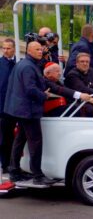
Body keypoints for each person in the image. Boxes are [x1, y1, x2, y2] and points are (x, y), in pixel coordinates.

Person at [4, 41, 56, 185]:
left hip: (22, 110)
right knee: (35, 142)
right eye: (37, 49)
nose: (41, 51)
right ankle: (38, 175)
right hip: (28, 111)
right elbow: (30, 89)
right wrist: (44, 95)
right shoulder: (28, 67)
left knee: (20, 139)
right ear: (29, 51)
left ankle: (14, 171)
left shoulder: (24, 64)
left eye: (41, 49)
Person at [0, 38, 16, 173]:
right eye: (3, 48)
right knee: (5, 136)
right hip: (3, 107)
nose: (5, 51)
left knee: (13, 136)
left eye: (8, 48)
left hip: (16, 106)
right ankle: (5, 164)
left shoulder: (18, 64)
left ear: (14, 49)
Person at [64, 53, 93, 117]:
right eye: (82, 61)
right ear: (77, 63)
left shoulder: (91, 71)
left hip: (90, 99)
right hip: (75, 102)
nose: (85, 64)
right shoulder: (72, 75)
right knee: (90, 109)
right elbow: (83, 89)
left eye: (87, 62)